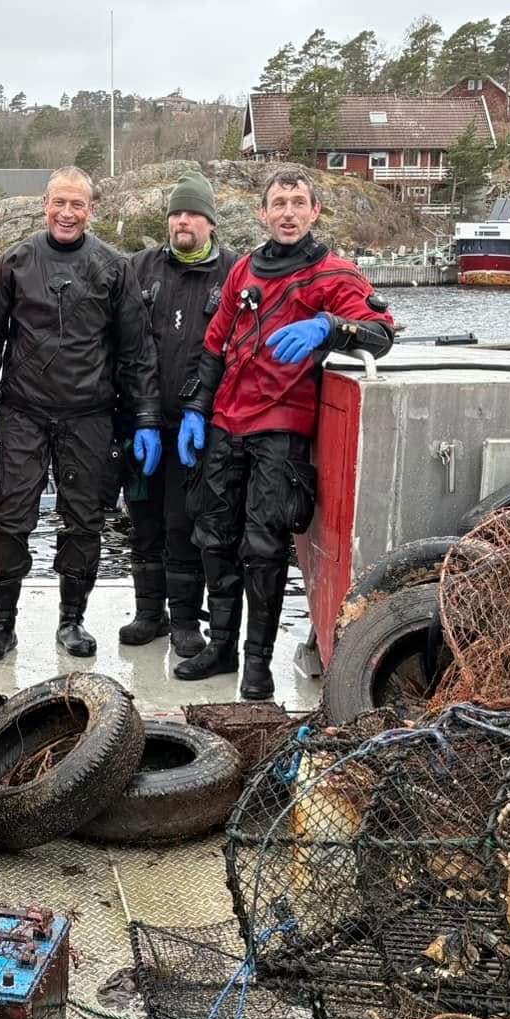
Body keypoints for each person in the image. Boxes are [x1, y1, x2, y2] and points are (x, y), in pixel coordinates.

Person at [175, 166, 394, 700]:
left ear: (314, 211)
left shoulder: (333, 274)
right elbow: (214, 342)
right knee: (213, 537)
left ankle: (257, 662)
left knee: (263, 545)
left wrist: (331, 327)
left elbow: (382, 333)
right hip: (227, 419)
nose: (289, 212)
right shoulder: (243, 270)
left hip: (282, 425)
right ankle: (221, 645)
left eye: (299, 203)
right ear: (263, 213)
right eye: (279, 203)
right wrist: (195, 409)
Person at [0, 167, 162, 662]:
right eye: (59, 203)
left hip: (89, 416)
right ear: (45, 204)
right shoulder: (16, 261)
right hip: (22, 412)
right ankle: (2, 625)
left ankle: (71, 620)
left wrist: (144, 418)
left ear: (92, 210)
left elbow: (136, 352)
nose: (67, 213)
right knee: (10, 519)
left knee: (84, 522)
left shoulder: (115, 268)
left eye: (78, 205)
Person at [118, 172, 239, 659]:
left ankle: (188, 619)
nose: (182, 221)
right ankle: (151, 613)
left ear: (210, 221)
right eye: (176, 213)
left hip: (200, 426)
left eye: (192, 213)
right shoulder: (139, 268)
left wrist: (202, 410)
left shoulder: (233, 272)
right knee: (143, 519)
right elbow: (127, 344)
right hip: (143, 421)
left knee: (184, 521)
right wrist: (137, 414)